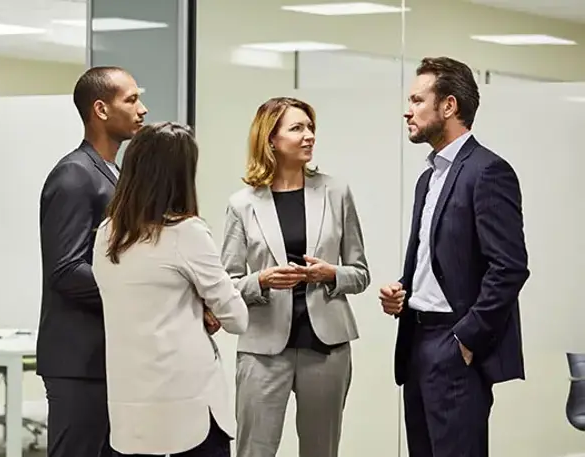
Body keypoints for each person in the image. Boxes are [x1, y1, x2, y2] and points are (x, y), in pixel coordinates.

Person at [379, 56, 530, 457]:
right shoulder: (429, 177)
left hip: (455, 344)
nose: (407, 110)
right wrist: (404, 291)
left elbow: (510, 267)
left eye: (416, 100)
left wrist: (467, 337)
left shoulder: (488, 172)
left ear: (448, 106)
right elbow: (441, 258)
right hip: (417, 340)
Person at [221, 97, 370, 457]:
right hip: (263, 349)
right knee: (254, 450)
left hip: (327, 346)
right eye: (297, 128)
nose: (309, 136)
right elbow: (227, 283)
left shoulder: (336, 192)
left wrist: (330, 273)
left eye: (310, 128)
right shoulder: (242, 204)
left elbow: (360, 273)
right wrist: (263, 280)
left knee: (321, 451)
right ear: (270, 139)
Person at [94, 121, 249, 457]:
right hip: (188, 405)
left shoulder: (106, 234)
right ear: (181, 175)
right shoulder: (186, 233)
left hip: (130, 408)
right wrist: (205, 306)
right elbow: (237, 318)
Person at [35, 66, 147, 457]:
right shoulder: (74, 176)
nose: (142, 109)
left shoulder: (113, 174)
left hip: (108, 356)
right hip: (79, 361)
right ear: (100, 109)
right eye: (131, 100)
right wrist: (138, 292)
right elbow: (66, 270)